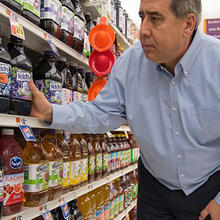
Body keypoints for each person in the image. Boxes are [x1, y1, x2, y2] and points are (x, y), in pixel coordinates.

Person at [29, 0, 220, 219]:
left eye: (155, 19)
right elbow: (100, 114)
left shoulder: (216, 62)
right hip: (155, 188)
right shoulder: (130, 63)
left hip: (208, 188)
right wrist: (51, 113)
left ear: (187, 24)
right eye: (142, 18)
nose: (143, 31)